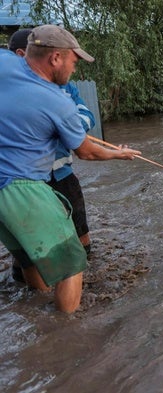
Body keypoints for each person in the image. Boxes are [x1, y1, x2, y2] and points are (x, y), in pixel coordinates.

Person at [0, 24, 141, 313]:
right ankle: (66, 334)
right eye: (73, 61)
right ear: (55, 58)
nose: (74, 70)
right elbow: (86, 152)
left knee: (28, 257)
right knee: (72, 263)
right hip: (21, 188)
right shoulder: (57, 101)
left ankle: (37, 308)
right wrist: (119, 154)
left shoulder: (4, 62)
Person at [8, 29, 96, 286]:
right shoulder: (14, 88)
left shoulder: (65, 87)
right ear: (21, 55)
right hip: (26, 182)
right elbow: (87, 151)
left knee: (80, 231)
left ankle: (80, 278)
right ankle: (32, 289)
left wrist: (67, 126)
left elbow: (86, 116)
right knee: (28, 245)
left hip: (62, 173)